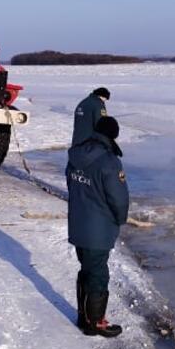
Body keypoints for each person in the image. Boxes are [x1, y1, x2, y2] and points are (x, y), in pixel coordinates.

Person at [66, 115, 128, 337]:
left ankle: (85, 317)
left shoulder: (75, 155)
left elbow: (71, 183)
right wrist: (121, 218)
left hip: (78, 224)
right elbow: (118, 198)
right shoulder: (110, 162)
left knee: (87, 270)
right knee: (98, 274)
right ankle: (95, 322)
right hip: (98, 229)